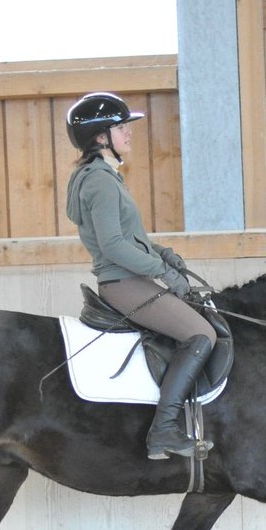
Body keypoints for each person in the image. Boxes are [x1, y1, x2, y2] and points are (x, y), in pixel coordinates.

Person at [65, 92, 216, 460]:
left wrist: (161, 252)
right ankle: (163, 430)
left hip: (131, 278)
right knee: (202, 334)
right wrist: (163, 272)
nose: (129, 134)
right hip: (124, 284)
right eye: (121, 128)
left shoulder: (105, 177)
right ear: (101, 137)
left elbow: (129, 237)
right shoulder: (99, 181)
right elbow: (114, 247)